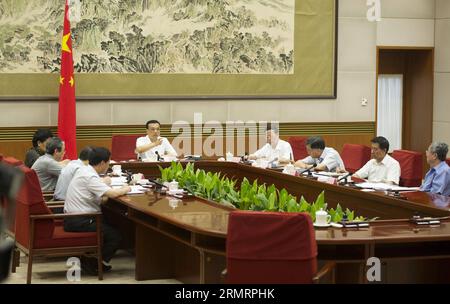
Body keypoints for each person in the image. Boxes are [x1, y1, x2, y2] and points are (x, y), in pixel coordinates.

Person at [63, 147, 131, 275]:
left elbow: (102, 197)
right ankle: (95, 263)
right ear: (102, 163)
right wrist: (126, 188)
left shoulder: (85, 170)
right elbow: (113, 193)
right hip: (80, 219)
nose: (109, 165)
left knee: (113, 223)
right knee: (115, 235)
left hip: (77, 217)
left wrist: (106, 188)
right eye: (109, 162)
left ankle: (90, 259)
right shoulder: (90, 176)